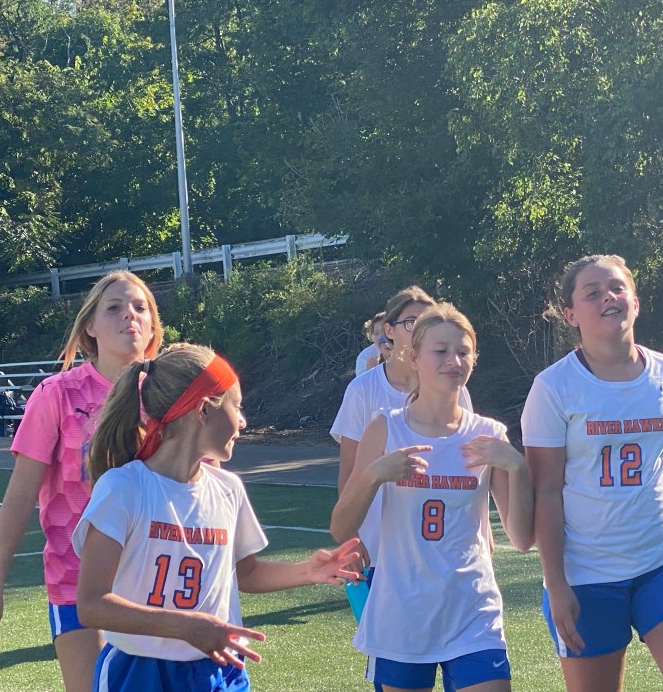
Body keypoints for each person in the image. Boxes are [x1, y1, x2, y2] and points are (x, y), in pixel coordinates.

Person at [74, 343, 361, 692]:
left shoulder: (228, 489)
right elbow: (92, 605)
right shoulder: (124, 488)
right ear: (203, 410)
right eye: (236, 406)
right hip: (141, 672)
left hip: (219, 671)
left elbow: (246, 573)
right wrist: (185, 627)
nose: (243, 421)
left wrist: (308, 571)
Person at [521, 255, 663, 692]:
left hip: (662, 563)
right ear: (571, 315)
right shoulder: (553, 387)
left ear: (635, 302)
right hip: (586, 578)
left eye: (617, 288)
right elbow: (546, 491)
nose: (608, 298)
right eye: (593, 293)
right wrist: (556, 584)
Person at [0, 271, 164, 692]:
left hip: (157, 582)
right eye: (114, 308)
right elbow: (19, 496)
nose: (130, 315)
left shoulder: (169, 396)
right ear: (90, 327)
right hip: (77, 584)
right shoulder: (57, 395)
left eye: (140, 308)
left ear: (153, 326)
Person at [331, 304, 533, 692]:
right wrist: (374, 475)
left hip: (472, 612)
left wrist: (517, 467)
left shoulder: (489, 435)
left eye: (463, 351)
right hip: (401, 614)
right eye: (440, 351)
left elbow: (523, 539)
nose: (453, 361)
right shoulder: (386, 428)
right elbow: (341, 528)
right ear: (413, 357)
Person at [331, 287, 473, 692]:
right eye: (411, 321)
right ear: (389, 331)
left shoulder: (455, 386)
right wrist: (353, 540)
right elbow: (349, 472)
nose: (420, 328)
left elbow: (466, 465)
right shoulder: (364, 390)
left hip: (443, 551)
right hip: (384, 551)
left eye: (426, 320)